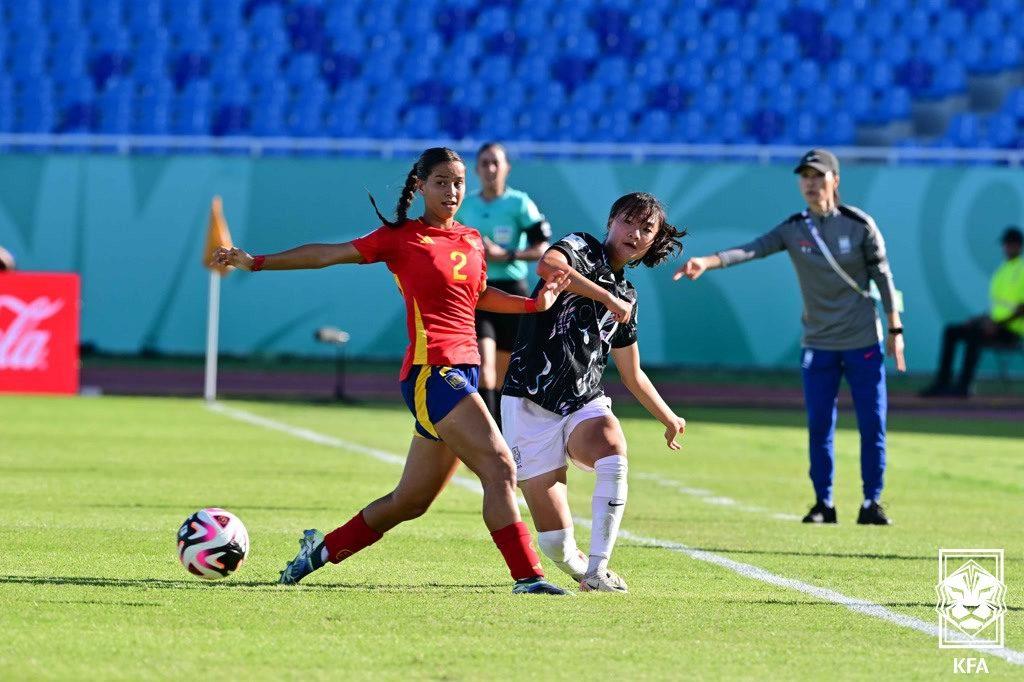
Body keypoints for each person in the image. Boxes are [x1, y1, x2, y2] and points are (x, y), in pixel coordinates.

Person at [212, 147, 569, 595]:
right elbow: (328, 254)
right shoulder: (400, 237)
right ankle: (529, 577)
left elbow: (478, 296)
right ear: (420, 186)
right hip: (430, 373)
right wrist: (257, 261)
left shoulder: (472, 239)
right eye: (441, 181)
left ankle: (317, 552)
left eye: (458, 183)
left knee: (410, 502)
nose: (452, 191)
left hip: (463, 373)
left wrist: (534, 304)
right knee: (499, 466)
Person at [674, 149, 905, 526]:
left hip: (863, 340)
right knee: (819, 425)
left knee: (872, 423)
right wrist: (708, 261)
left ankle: (871, 502)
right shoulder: (794, 229)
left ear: (835, 180)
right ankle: (823, 503)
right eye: (805, 177)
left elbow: (884, 278)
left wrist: (895, 331)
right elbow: (752, 248)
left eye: (818, 176)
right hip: (818, 343)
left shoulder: (859, 225)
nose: (811, 184)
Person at [502, 192, 688, 592]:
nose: (635, 233)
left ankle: (600, 568)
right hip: (528, 401)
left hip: (583, 402)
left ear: (654, 242)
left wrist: (668, 418)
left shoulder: (630, 298)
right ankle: (580, 568)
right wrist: (604, 295)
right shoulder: (581, 246)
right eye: (628, 222)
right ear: (610, 222)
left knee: (612, 446)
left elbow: (632, 374)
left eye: (646, 229)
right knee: (556, 544)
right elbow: (549, 265)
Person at [456, 142, 551, 424]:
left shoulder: (519, 203)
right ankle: (487, 438)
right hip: (480, 293)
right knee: (484, 369)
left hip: (512, 293)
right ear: (476, 169)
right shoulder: (466, 206)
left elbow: (542, 248)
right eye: (484, 163)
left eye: (496, 162)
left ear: (507, 167)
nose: (490, 168)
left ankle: (505, 437)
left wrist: (505, 254)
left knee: (505, 374)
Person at [920, 226, 1024, 398]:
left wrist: (997, 325)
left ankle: (963, 386)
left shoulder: (1022, 269)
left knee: (975, 335)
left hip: (1012, 331)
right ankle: (942, 382)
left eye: (1010, 244)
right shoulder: (1002, 271)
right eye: (1005, 244)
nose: (1006, 248)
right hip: (995, 326)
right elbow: (998, 308)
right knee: (952, 331)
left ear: (1019, 246)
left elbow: (1021, 309)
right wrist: (978, 319)